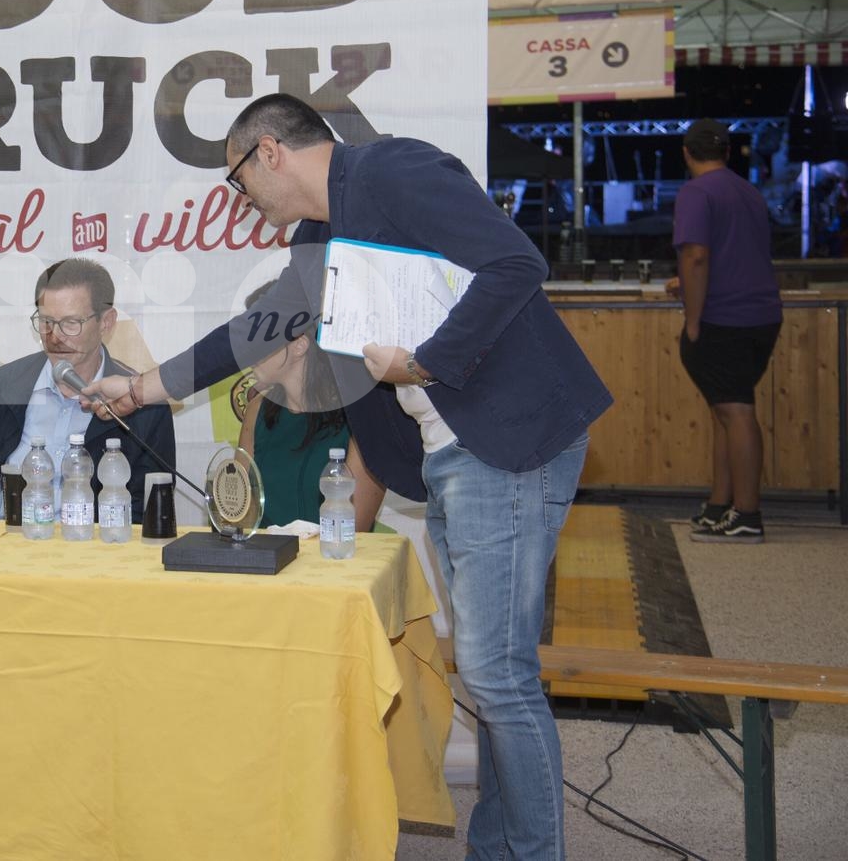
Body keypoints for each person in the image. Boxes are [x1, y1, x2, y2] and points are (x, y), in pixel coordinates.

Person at [88, 94, 611, 860]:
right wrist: (139, 388)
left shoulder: (393, 171)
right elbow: (256, 331)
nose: (241, 199)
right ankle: (498, 849)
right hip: (451, 452)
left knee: (497, 676)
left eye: (237, 179)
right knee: (494, 673)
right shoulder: (320, 235)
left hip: (506, 441)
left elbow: (516, 264)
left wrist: (425, 362)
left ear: (269, 151)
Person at [0, 258, 175, 520]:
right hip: (2, 538)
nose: (55, 336)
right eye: (46, 321)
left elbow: (148, 509)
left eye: (71, 323)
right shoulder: (0, 387)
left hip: (91, 543)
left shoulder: (142, 403)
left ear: (106, 322)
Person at [668, 119, 783, 544]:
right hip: (762, 315)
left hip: (724, 319)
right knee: (726, 412)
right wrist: (685, 282)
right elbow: (737, 254)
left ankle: (747, 515)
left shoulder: (696, 192)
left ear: (686, 152)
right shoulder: (748, 191)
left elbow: (696, 256)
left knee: (736, 412)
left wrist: (693, 319)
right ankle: (721, 505)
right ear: (728, 152)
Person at [236, 285, 384, 531]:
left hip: (333, 554)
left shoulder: (360, 416)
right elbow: (239, 514)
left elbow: (352, 528)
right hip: (264, 554)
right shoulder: (257, 409)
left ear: (299, 344)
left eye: (260, 334)